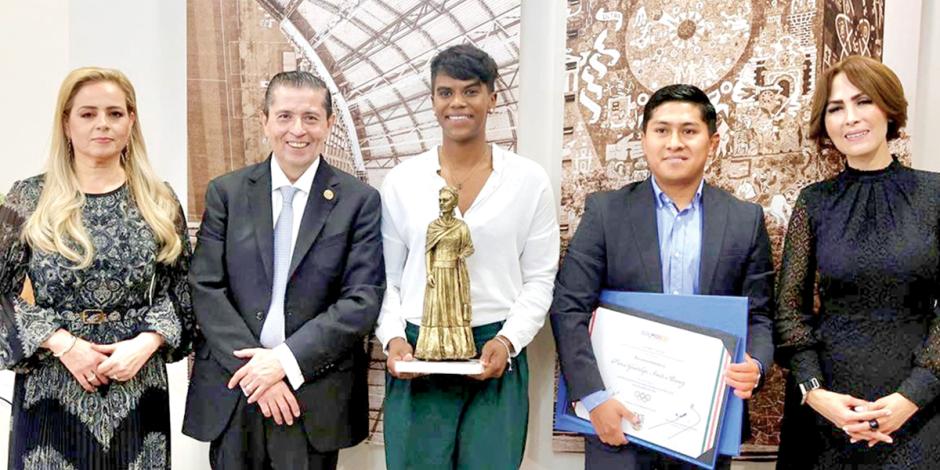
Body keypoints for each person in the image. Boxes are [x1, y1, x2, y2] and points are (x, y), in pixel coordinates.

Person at [551, 84, 775, 470]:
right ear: (644, 139)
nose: (674, 142)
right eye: (661, 130)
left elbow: (760, 316)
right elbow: (569, 308)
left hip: (705, 423)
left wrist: (756, 365)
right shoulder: (606, 213)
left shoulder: (744, 219)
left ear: (713, 141)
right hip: (616, 419)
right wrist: (594, 398)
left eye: (689, 131)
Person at [182, 70, 384, 470]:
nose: (298, 130)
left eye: (310, 117)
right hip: (235, 388)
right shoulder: (228, 192)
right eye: (285, 116)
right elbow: (205, 286)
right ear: (265, 121)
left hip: (311, 393)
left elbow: (361, 299)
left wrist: (284, 362)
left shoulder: (359, 201)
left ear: (328, 124)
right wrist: (257, 370)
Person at [376, 44, 559, 470]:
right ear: (433, 100)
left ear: (493, 98)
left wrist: (507, 341)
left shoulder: (528, 181)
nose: (457, 103)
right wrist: (394, 339)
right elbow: (386, 276)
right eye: (445, 92)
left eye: (471, 91)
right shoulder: (403, 181)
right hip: (418, 348)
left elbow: (539, 278)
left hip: (493, 348)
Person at [0, 67, 194, 469]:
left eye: (114, 113)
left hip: (137, 385)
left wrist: (147, 343)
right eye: (88, 114)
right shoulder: (29, 197)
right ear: (66, 123)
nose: (102, 124)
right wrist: (62, 344)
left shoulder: (159, 200)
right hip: (50, 388)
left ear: (131, 122)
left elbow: (185, 290)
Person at [775, 55, 940, 469]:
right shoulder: (813, 203)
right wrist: (814, 392)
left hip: (917, 411)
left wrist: (913, 396)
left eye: (863, 101)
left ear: (888, 110)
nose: (850, 118)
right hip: (825, 414)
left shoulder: (934, 196)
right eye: (836, 108)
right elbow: (789, 311)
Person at [414, 186, 476, 360]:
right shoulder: (433, 226)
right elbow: (428, 251)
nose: (442, 203)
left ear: (454, 202)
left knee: (454, 311)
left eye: (446, 200)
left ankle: (457, 348)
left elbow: (469, 247)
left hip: (454, 274)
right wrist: (428, 273)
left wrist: (461, 256)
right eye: (440, 200)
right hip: (437, 272)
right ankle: (434, 348)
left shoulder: (461, 226)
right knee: (437, 310)